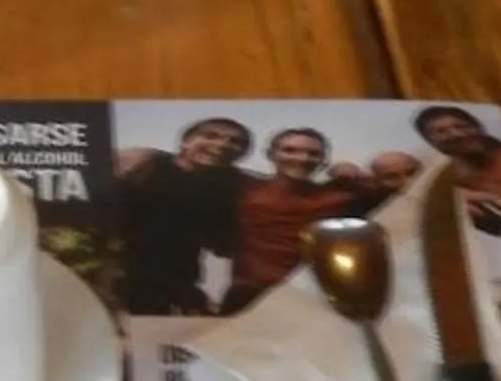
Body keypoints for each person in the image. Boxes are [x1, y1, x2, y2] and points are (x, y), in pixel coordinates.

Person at [223, 126, 387, 311]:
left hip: (308, 296)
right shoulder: (243, 191)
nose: (302, 159)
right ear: (271, 154)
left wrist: (356, 175)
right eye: (289, 150)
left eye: (313, 153)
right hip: (250, 294)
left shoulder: (336, 196)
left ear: (323, 161)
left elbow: (394, 194)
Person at [111, 119, 252, 316]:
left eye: (236, 142)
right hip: (112, 276)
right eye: (211, 136)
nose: (222, 145)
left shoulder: (232, 185)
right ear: (186, 140)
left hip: (175, 288)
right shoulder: (144, 163)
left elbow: (225, 245)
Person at [413, 105, 501, 234]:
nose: (456, 134)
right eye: (441, 131)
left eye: (461, 126)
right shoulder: (450, 183)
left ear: (478, 128)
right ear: (429, 140)